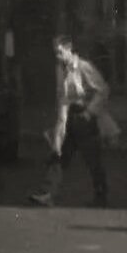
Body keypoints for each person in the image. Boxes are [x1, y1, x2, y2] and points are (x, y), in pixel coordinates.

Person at [29, 35, 112, 208]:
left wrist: (89, 113)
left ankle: (101, 197)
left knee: (93, 159)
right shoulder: (60, 69)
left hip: (85, 116)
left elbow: (103, 90)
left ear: (69, 49)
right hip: (69, 116)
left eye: (60, 52)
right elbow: (63, 97)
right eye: (55, 53)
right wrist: (60, 129)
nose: (57, 56)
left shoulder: (83, 67)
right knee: (58, 155)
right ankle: (47, 194)